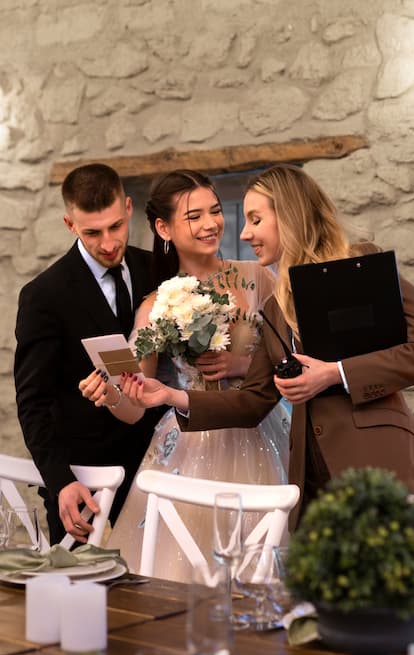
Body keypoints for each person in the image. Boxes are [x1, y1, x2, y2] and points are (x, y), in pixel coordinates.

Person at [120, 164, 414, 529]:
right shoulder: (275, 306)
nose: (244, 233)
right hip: (310, 478)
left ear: (288, 216)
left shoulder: (358, 262)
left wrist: (333, 374)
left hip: (378, 464)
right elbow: (252, 401)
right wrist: (170, 395)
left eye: (256, 220)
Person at [79, 169, 289, 582]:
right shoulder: (155, 304)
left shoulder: (257, 278)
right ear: (164, 227)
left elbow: (294, 356)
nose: (211, 224)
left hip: (261, 430)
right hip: (188, 446)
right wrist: (111, 395)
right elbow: (136, 406)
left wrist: (245, 366)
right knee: (177, 571)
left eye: (214, 211)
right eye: (194, 216)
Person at [14, 163, 161, 544]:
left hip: (157, 469)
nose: (109, 243)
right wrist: (61, 481)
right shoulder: (44, 296)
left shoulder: (157, 270)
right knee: (78, 598)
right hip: (82, 480)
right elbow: (33, 403)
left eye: (115, 227)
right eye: (92, 233)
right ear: (69, 224)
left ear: (128, 208)